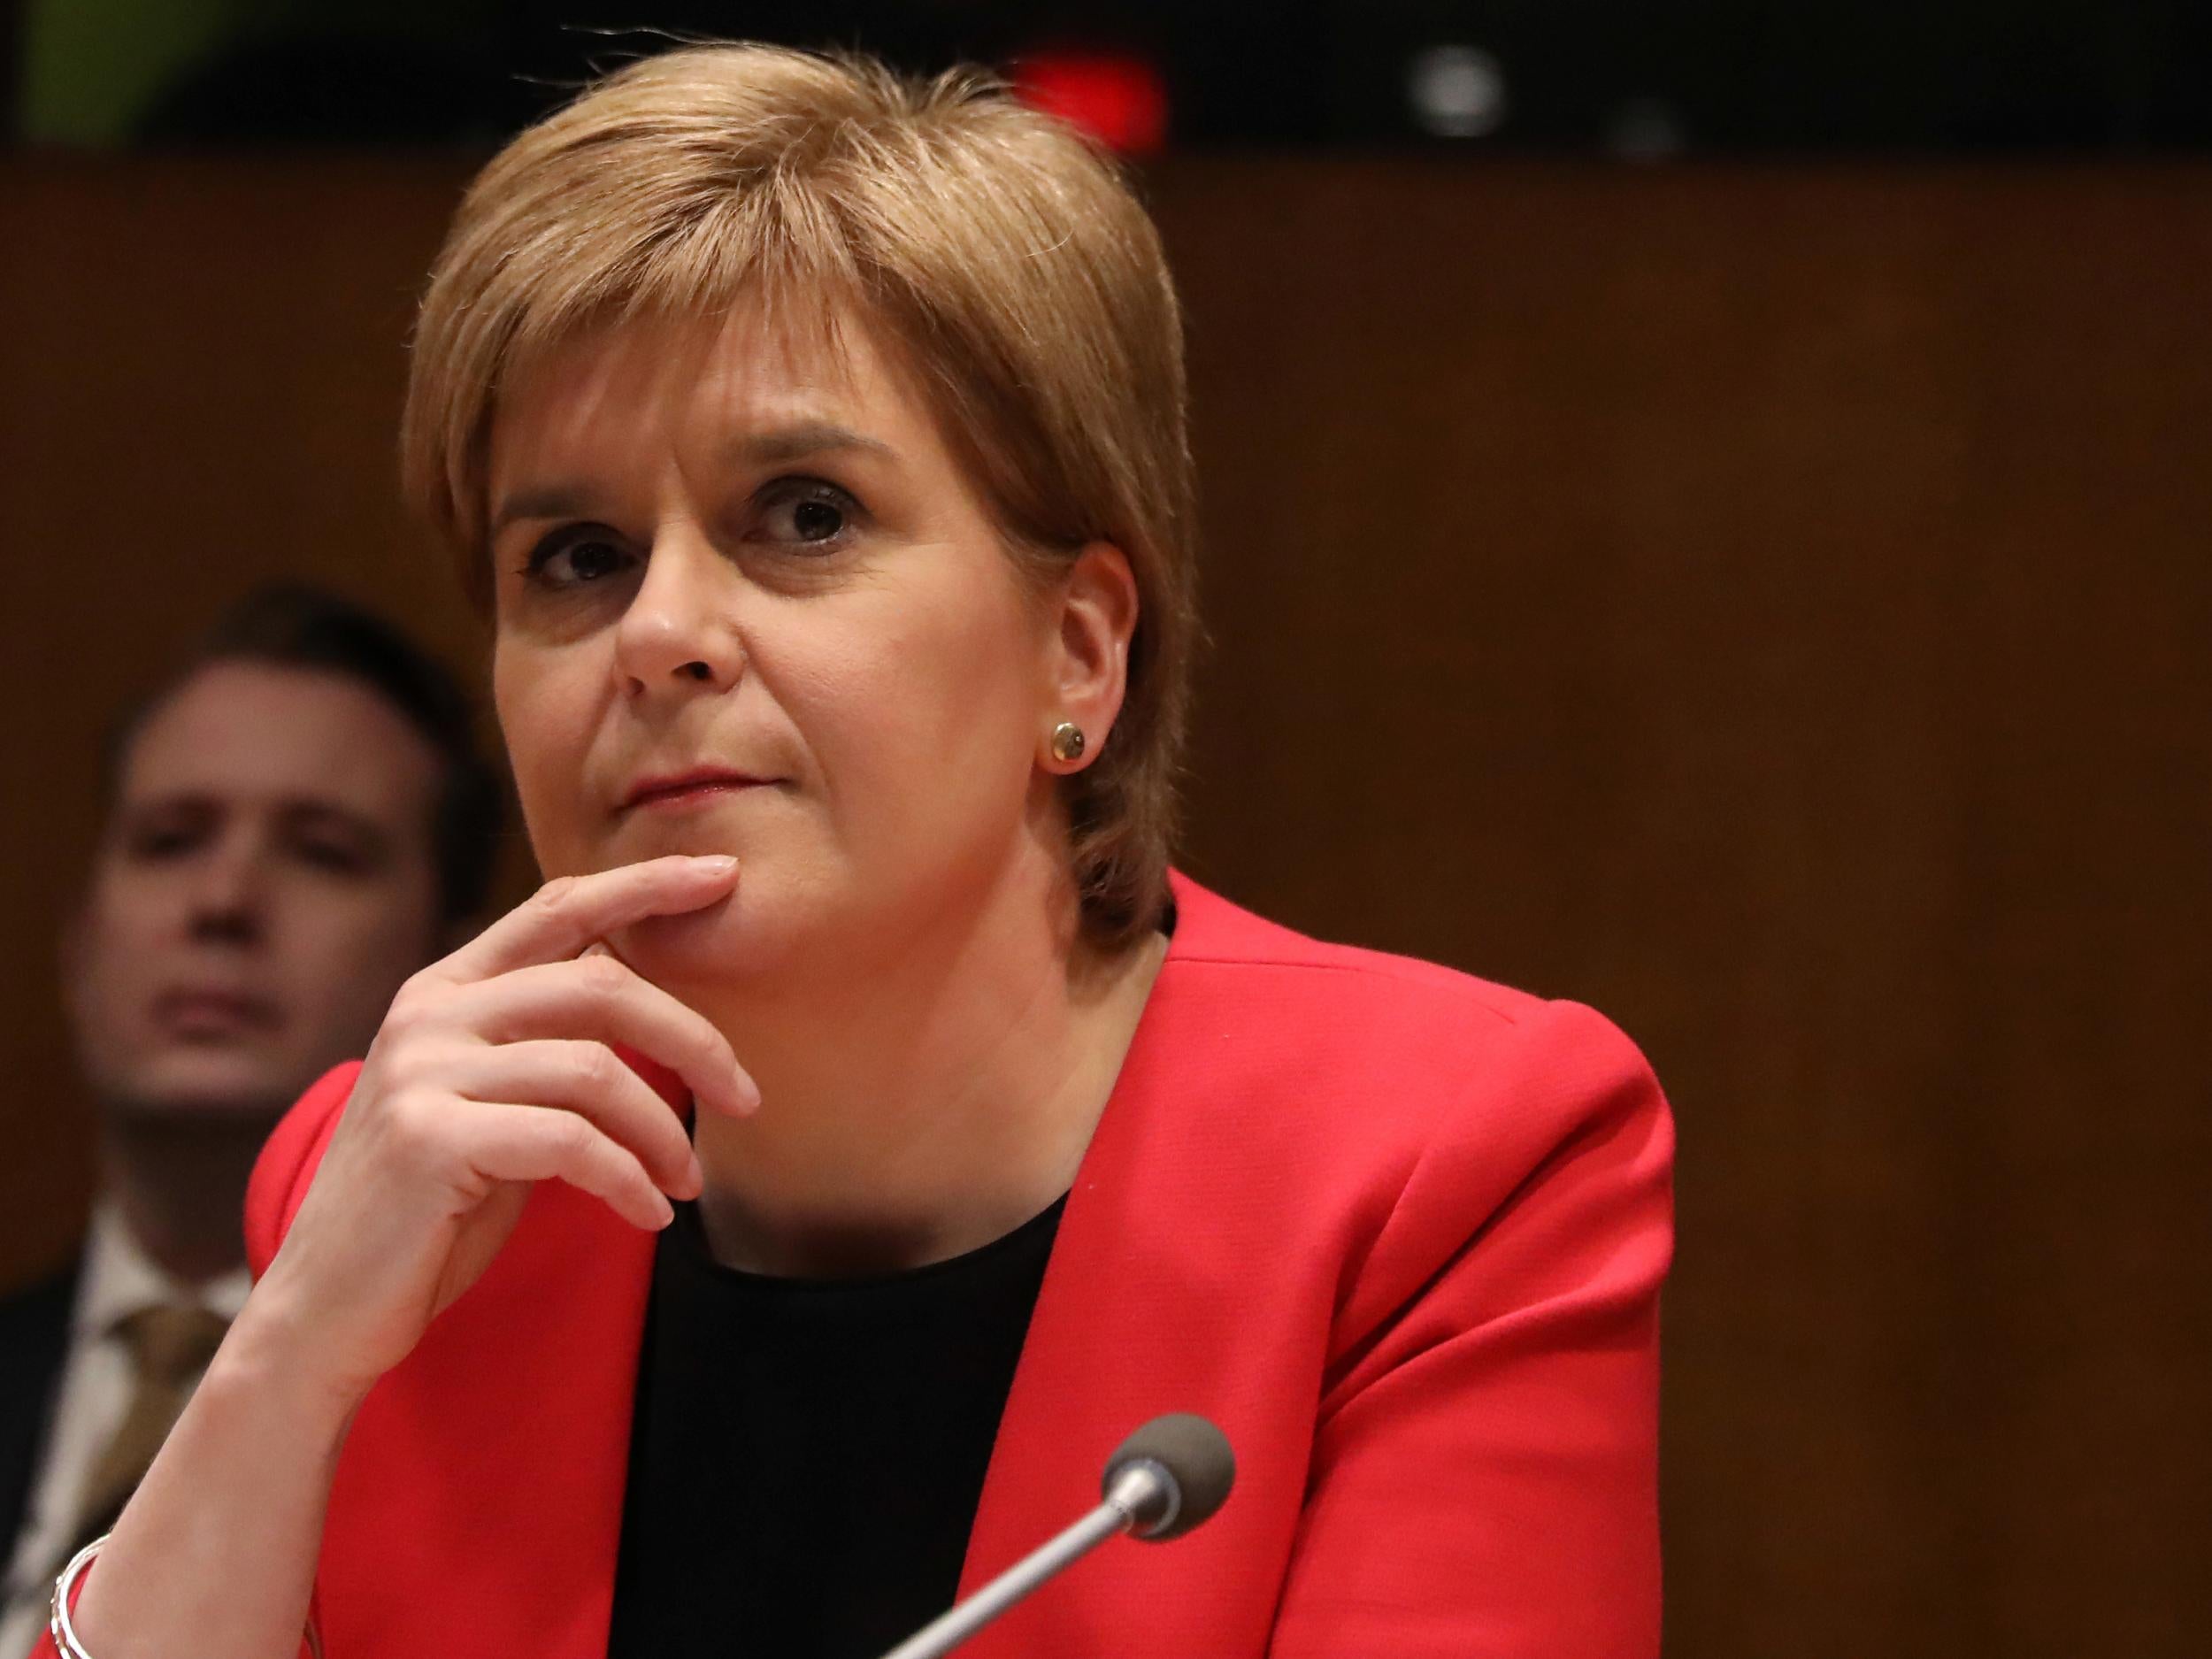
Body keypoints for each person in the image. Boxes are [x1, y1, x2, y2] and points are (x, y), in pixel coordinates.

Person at [39, 43, 1674, 1659]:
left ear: (1080, 653)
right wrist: (290, 1359)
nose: (660, 630)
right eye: (578, 557)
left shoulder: (1436, 1173)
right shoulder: (411, 1173)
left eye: (805, 516)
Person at [1, 587, 503, 1659]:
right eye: (170, 840)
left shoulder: (498, 1460)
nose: (223, 899)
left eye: (322, 851)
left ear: (455, 960)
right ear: (79, 944)